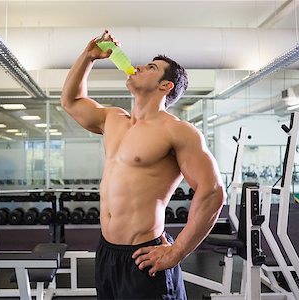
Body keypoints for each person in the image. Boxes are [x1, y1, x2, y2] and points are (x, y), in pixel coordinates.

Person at [60, 30, 226, 299]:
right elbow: (71, 101)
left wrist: (177, 251)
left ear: (165, 86)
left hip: (144, 256)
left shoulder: (178, 131)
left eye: (151, 67)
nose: (137, 67)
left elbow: (213, 191)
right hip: (107, 252)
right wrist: (88, 57)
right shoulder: (113, 119)